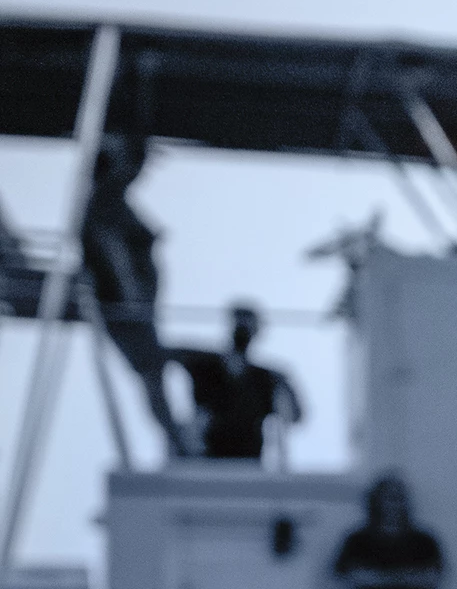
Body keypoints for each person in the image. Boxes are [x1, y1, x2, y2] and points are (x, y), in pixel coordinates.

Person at [79, 133, 189, 453]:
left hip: (135, 309)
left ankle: (173, 436)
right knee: (151, 372)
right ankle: (174, 437)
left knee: (151, 374)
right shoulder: (103, 204)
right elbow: (113, 257)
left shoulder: (107, 203)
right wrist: (132, 299)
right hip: (128, 310)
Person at [171, 302, 303, 462]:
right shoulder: (203, 366)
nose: (242, 331)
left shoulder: (267, 379)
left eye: (248, 326)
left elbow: (295, 416)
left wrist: (286, 385)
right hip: (203, 460)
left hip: (246, 464)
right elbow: (158, 355)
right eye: (239, 324)